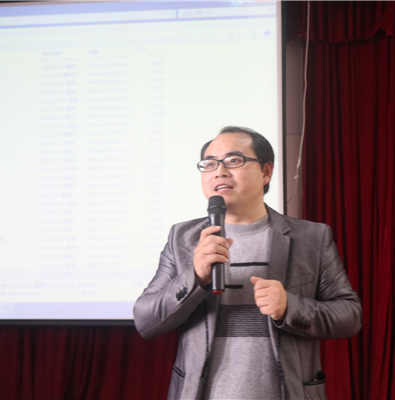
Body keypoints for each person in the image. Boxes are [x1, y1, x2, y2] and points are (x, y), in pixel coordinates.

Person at [133, 126, 362, 400]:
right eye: (210, 164)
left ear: (266, 172)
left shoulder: (311, 238)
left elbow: (350, 317)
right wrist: (195, 277)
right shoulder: (182, 238)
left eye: (234, 160)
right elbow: (146, 320)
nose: (220, 171)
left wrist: (290, 307)